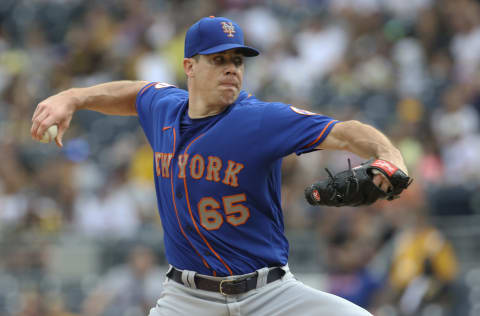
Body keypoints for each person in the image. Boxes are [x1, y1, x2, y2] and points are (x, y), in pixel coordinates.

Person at [31, 16, 408, 316]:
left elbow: (345, 132)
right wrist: (73, 97)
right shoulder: (164, 108)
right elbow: (133, 93)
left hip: (270, 295)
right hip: (187, 298)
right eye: (219, 60)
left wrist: (389, 156)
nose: (232, 69)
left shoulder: (260, 120)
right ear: (189, 66)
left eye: (237, 61)